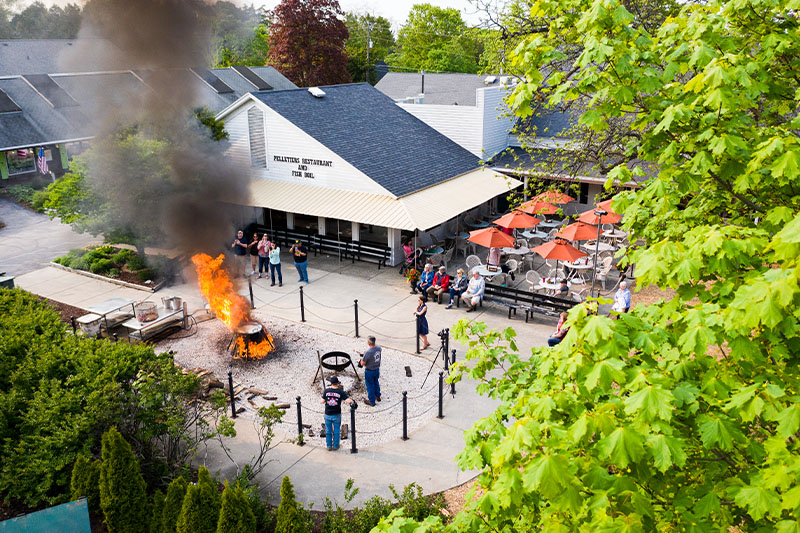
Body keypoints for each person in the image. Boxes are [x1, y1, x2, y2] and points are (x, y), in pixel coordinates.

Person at [320, 376, 353, 451]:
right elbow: (347, 400)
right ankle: (335, 445)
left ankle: (328, 446)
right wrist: (352, 401)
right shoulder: (340, 392)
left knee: (328, 430)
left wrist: (326, 400)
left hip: (328, 413)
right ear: (337, 383)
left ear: (330, 383)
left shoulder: (326, 391)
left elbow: (321, 401)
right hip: (336, 414)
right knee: (337, 430)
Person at [358, 336, 382, 406]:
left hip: (369, 371)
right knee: (376, 382)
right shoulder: (379, 348)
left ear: (369, 342)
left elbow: (362, 363)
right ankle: (378, 396)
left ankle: (372, 401)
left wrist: (361, 359)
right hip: (377, 369)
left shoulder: (368, 352)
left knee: (370, 385)